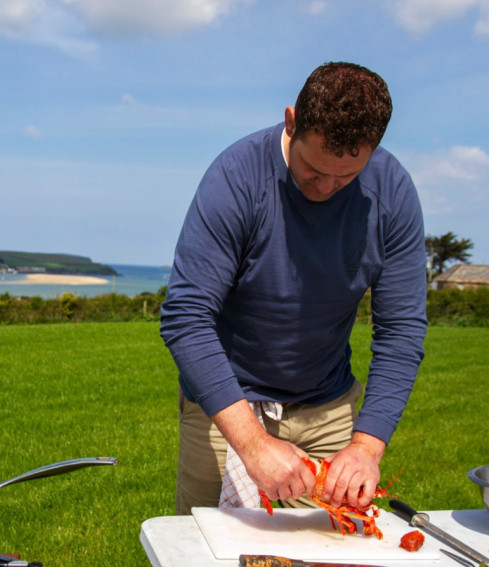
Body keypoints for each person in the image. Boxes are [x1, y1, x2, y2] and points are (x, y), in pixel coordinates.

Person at [160, 62, 427, 517]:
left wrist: (366, 447)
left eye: (345, 178)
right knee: (208, 564)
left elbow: (401, 332)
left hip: (327, 410)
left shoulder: (392, 193)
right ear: (291, 122)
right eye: (312, 168)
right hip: (227, 405)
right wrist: (254, 442)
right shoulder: (237, 176)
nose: (325, 187)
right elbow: (186, 316)